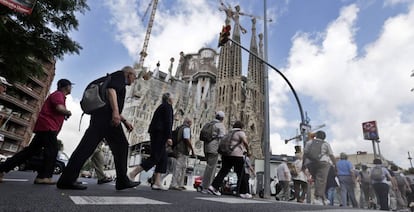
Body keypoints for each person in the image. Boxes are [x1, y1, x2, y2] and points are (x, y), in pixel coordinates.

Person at [57, 66, 140, 190]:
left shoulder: (114, 77)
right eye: (135, 77)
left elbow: (109, 99)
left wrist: (124, 120)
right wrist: (116, 113)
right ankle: (122, 180)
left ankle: (66, 179)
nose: (134, 80)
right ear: (129, 74)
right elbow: (110, 91)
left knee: (87, 147)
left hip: (101, 117)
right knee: (121, 146)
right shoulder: (119, 76)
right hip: (107, 119)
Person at [0, 79, 73, 184]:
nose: (71, 88)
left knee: (29, 152)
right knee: (52, 151)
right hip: (48, 127)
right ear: (66, 87)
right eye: (70, 86)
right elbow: (59, 108)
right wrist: (68, 112)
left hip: (45, 127)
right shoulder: (58, 95)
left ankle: (2, 169)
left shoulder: (58, 95)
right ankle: (44, 176)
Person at [128, 92, 174, 190]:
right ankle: (132, 173)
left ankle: (157, 182)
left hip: (156, 133)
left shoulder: (161, 106)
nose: (173, 100)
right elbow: (168, 122)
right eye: (172, 98)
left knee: (163, 158)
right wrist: (169, 137)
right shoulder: (167, 107)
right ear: (169, 99)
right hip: (160, 134)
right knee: (155, 157)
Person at [207, 121, 250, 199]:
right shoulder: (240, 132)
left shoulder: (229, 132)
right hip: (237, 155)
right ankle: (243, 192)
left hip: (226, 155)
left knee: (223, 171)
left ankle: (213, 187)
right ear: (241, 127)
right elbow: (245, 142)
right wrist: (248, 151)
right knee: (241, 173)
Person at [303, 130, 336, 205]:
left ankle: (323, 198)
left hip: (310, 163)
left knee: (317, 180)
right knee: (321, 181)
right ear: (324, 137)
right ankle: (317, 198)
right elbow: (331, 155)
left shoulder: (309, 142)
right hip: (323, 163)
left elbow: (305, 154)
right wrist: (335, 165)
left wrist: (303, 165)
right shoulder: (326, 144)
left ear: (316, 136)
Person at [200, 111, 226, 194]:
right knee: (211, 168)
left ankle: (204, 185)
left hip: (206, 147)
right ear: (222, 118)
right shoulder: (220, 125)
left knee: (209, 166)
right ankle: (206, 187)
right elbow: (223, 137)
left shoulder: (209, 123)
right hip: (214, 148)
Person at [169, 117, 194, 190]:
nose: (191, 124)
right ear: (188, 123)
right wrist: (192, 149)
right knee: (179, 168)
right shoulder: (186, 128)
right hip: (182, 150)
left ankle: (180, 184)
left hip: (180, 150)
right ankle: (174, 184)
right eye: (191, 123)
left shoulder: (180, 128)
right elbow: (187, 139)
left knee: (182, 167)